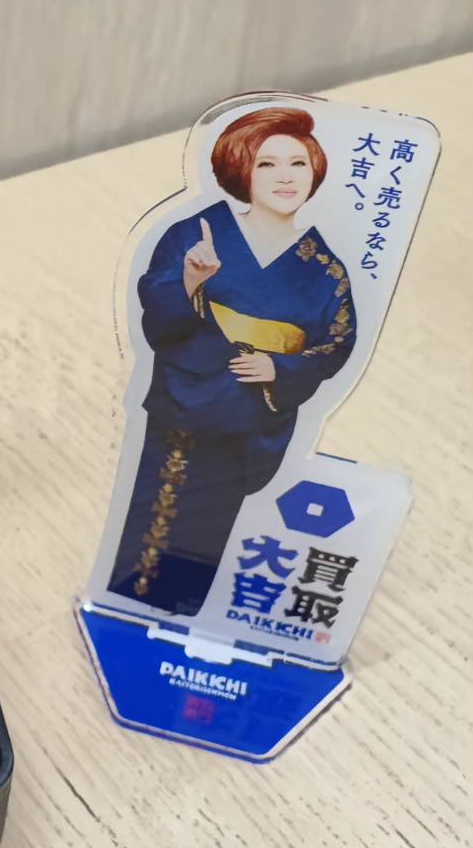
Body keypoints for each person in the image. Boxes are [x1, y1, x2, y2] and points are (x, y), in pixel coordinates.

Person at [108, 106, 356, 617]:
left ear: (315, 171)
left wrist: (280, 369)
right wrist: (191, 281)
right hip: (187, 403)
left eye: (298, 164)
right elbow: (155, 306)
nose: (285, 177)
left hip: (253, 418)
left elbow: (337, 342)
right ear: (242, 168)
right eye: (267, 164)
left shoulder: (325, 268)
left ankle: (187, 612)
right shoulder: (196, 232)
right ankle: (133, 606)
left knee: (213, 525)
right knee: (158, 515)